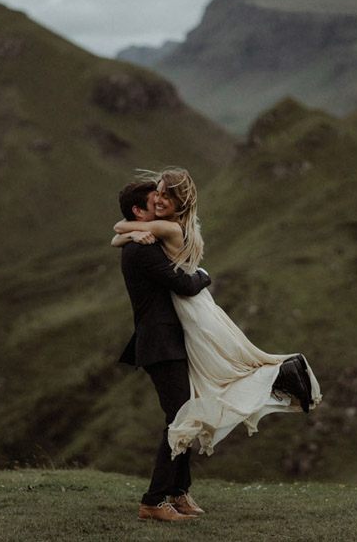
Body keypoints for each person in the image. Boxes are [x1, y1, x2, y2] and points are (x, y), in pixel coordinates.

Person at [112, 168, 321, 464]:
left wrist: (131, 231)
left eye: (166, 195)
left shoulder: (167, 229)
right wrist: (135, 231)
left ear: (179, 202)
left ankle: (278, 376)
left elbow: (118, 231)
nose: (159, 199)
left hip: (192, 308)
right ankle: (277, 376)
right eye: (157, 193)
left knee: (223, 370)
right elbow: (122, 232)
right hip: (194, 309)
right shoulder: (175, 227)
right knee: (218, 372)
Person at [115, 180, 212, 522]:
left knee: (187, 417)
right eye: (153, 199)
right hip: (160, 343)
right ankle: (153, 501)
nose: (159, 201)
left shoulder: (143, 241)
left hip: (169, 341)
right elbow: (185, 284)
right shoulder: (141, 250)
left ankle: (178, 492)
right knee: (180, 420)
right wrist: (204, 275)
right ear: (138, 212)